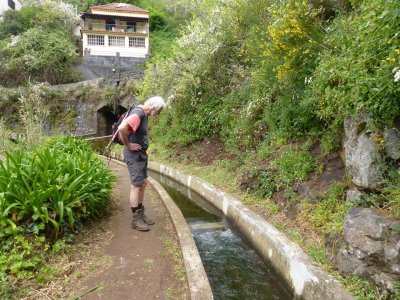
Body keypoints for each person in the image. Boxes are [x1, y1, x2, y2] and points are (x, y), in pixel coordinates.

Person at [118, 96, 165, 231]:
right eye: (160, 110)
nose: (159, 113)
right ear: (154, 107)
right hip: (134, 156)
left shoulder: (143, 113)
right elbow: (122, 128)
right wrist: (128, 145)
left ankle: (140, 213)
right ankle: (135, 219)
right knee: (136, 186)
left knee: (142, 183)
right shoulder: (138, 114)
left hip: (141, 155)